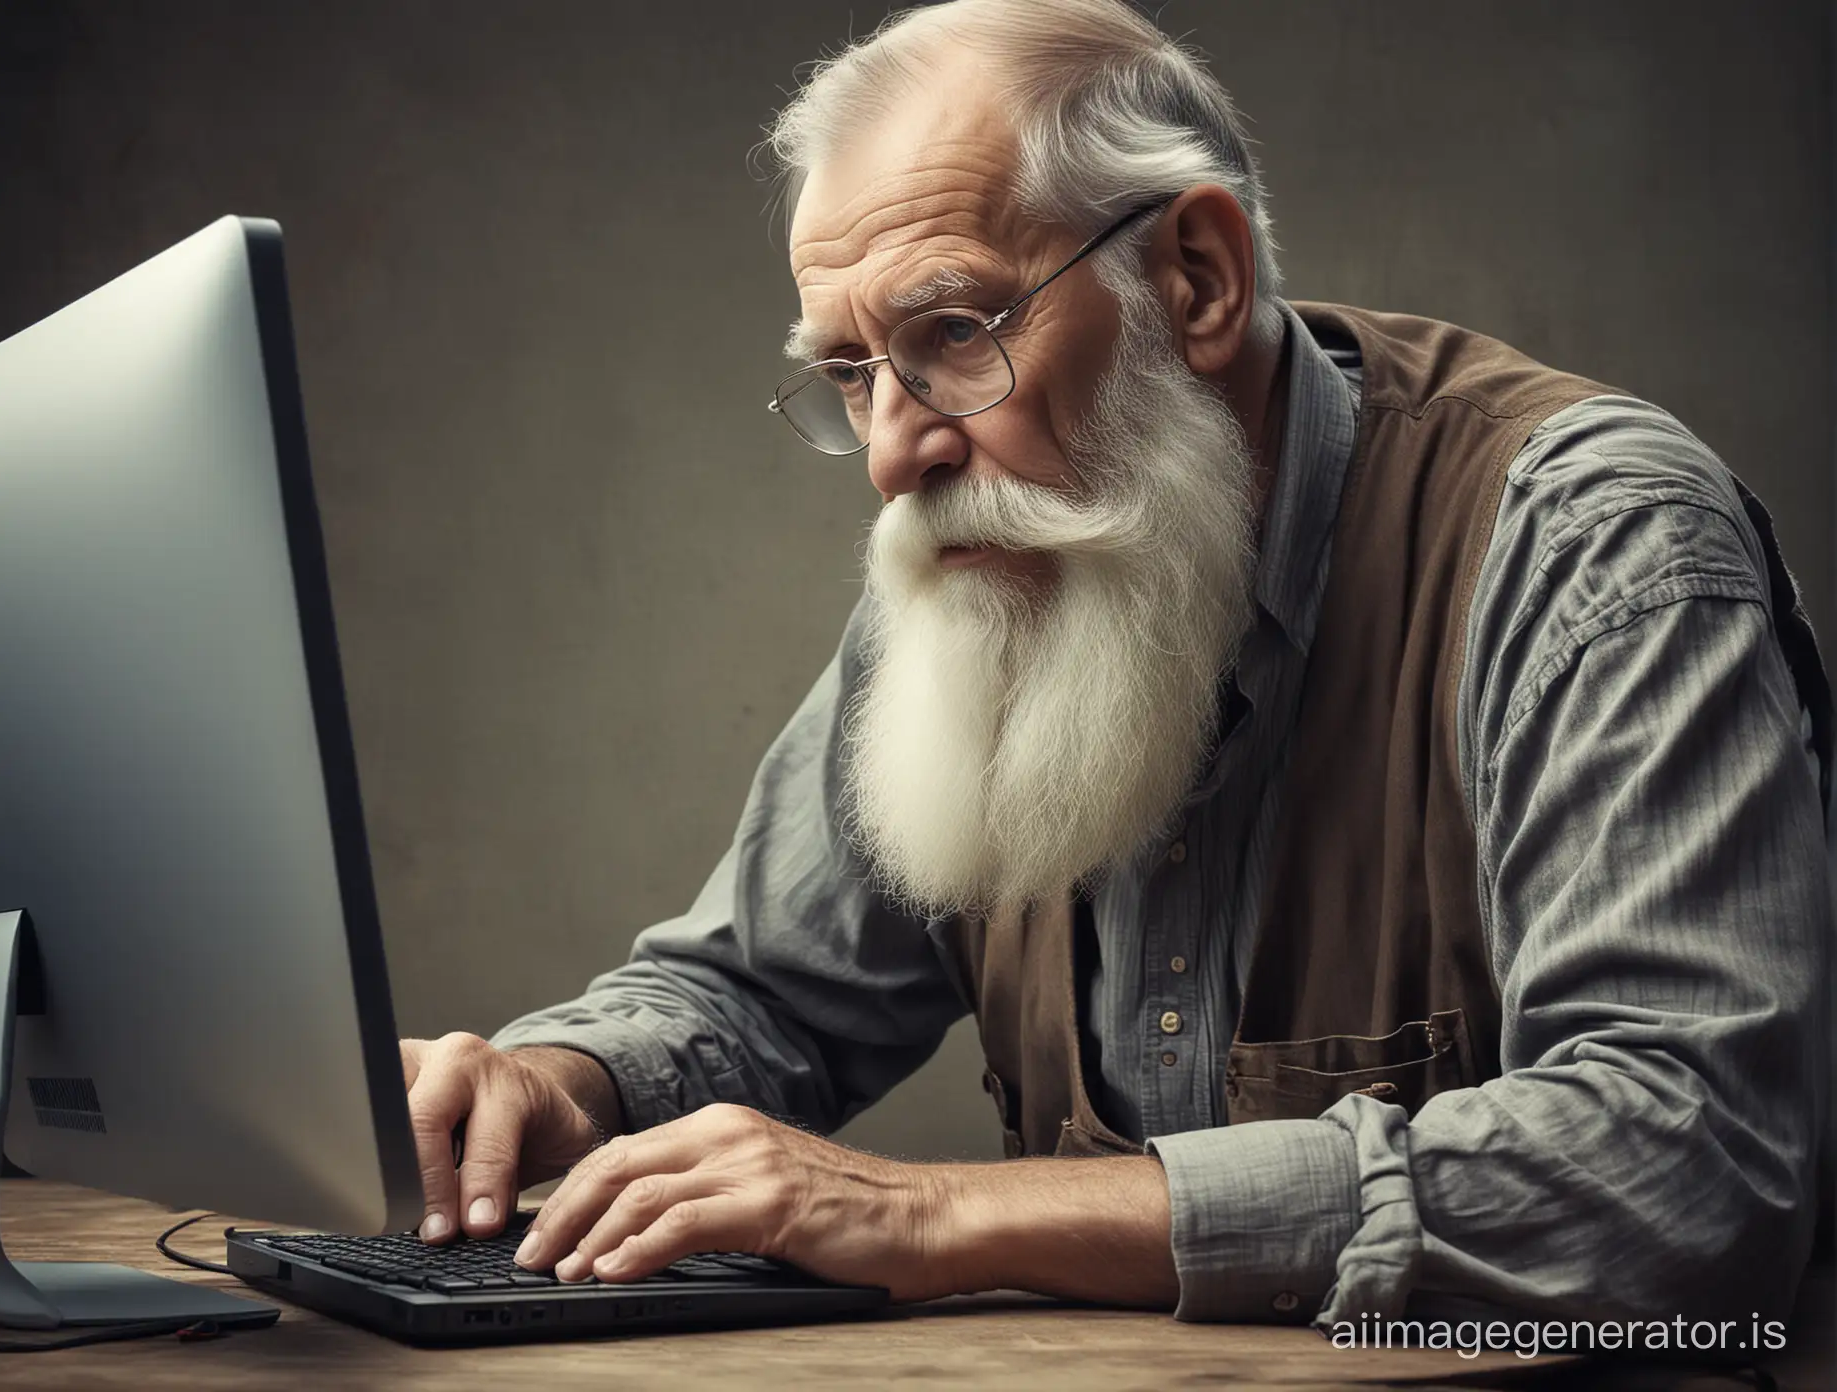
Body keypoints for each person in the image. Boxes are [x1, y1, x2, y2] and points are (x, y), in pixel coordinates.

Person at [399, 0, 1833, 1329]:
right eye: (850, 372)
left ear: (1197, 278)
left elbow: (1690, 1162)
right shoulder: (985, 561)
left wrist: (939, 1209)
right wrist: (558, 1082)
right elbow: (759, 996)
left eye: (952, 334)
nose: (897, 453)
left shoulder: (1597, 542)